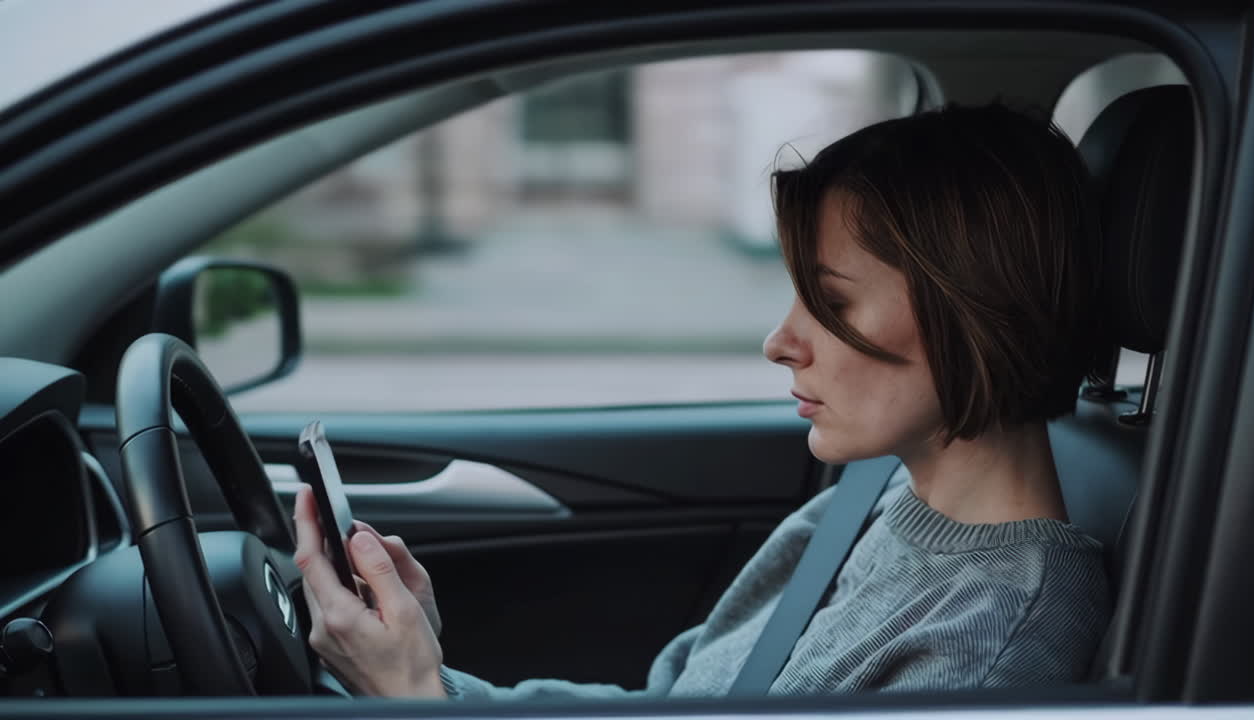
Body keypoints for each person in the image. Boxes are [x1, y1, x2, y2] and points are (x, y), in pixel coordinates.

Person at [292, 102, 1112, 699]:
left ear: (976, 312)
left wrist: (413, 701)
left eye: (832, 303)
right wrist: (428, 678)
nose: (781, 341)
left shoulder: (989, 649)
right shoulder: (872, 500)